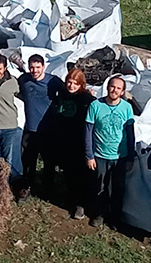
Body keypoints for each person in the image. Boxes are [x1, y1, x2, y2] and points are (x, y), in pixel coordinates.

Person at [84, 76, 135, 229]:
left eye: (118, 88)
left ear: (122, 91)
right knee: (99, 186)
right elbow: (88, 132)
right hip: (100, 155)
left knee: (117, 188)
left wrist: (130, 157)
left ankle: (115, 218)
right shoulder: (95, 105)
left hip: (120, 156)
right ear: (107, 87)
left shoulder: (127, 108)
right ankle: (98, 214)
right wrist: (89, 155)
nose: (114, 90)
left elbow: (131, 134)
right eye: (112, 87)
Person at [17, 54, 64, 201]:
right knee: (28, 161)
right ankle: (27, 187)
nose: (35, 70)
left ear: (43, 67)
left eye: (38, 67)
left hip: (47, 130)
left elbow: (68, 92)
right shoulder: (24, 80)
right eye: (32, 67)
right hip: (30, 129)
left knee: (49, 162)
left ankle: (48, 188)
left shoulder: (53, 81)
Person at [50, 68, 95, 219]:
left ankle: (80, 204)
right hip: (63, 139)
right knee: (68, 171)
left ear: (81, 85)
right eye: (70, 82)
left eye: (75, 84)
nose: (71, 86)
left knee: (80, 174)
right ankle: (71, 197)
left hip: (79, 142)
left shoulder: (86, 99)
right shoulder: (62, 93)